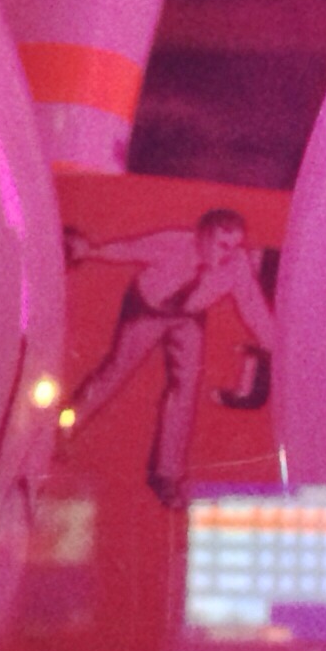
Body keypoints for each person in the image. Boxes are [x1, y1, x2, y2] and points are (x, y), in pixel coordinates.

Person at [68, 208, 273, 507]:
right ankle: (64, 427)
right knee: (116, 371)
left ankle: (166, 475)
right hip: (147, 309)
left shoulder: (237, 265)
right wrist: (89, 251)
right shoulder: (173, 242)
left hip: (188, 317)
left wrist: (275, 346)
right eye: (222, 244)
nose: (229, 254)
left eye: (236, 246)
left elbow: (252, 305)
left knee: (185, 387)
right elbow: (128, 250)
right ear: (203, 237)